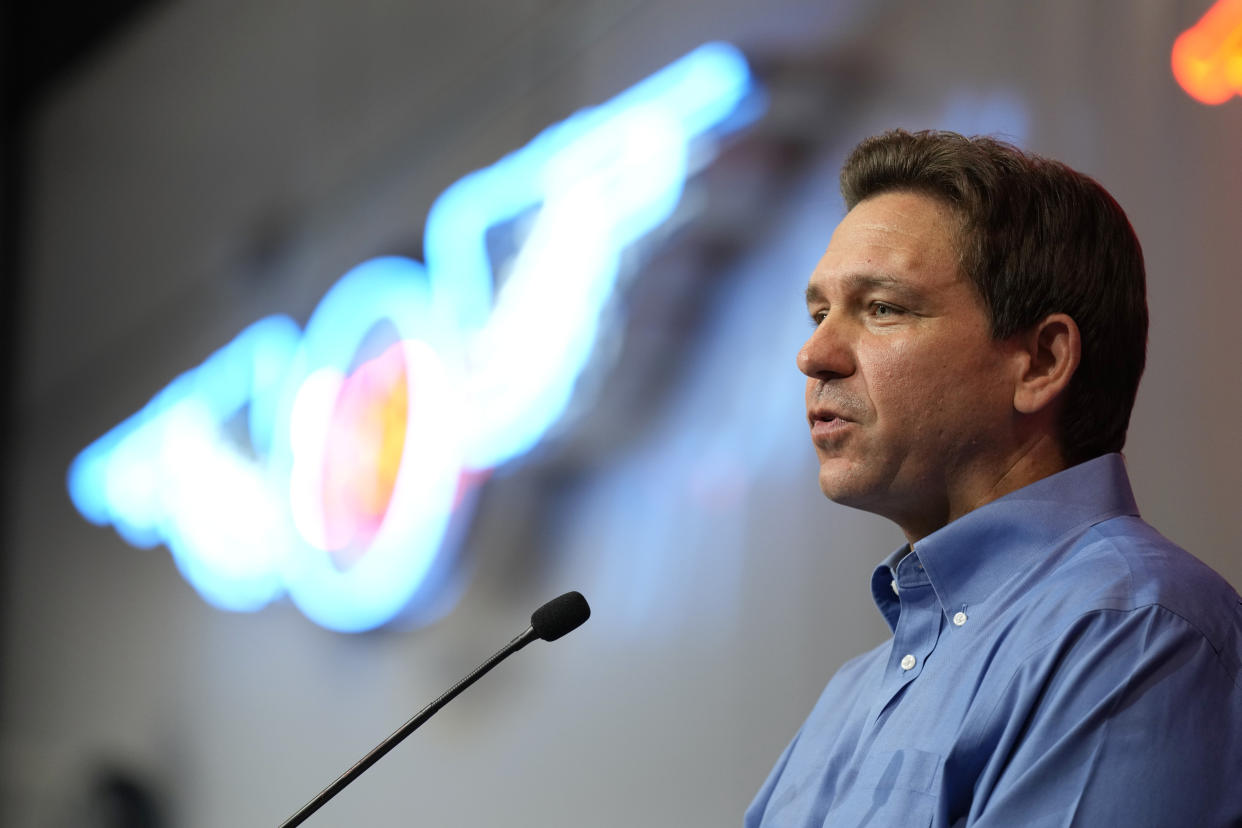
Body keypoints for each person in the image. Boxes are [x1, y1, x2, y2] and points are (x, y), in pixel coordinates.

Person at [745, 129, 1242, 827]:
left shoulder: (1131, 632)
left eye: (882, 307)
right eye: (819, 312)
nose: (814, 353)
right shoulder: (848, 699)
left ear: (1039, 362)